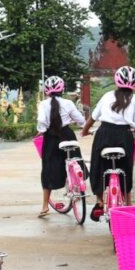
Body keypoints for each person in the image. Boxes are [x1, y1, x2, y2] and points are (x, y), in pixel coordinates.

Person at [80, 66, 135, 221]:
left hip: (104, 134)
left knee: (97, 166)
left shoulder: (107, 96)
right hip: (125, 136)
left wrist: (84, 131)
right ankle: (128, 202)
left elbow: (93, 117)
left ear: (116, 81)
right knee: (126, 168)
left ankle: (99, 200)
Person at [37, 75, 85, 217]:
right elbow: (81, 120)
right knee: (75, 160)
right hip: (67, 136)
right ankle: (77, 182)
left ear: (46, 91)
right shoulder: (69, 103)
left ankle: (45, 206)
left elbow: (41, 124)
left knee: (48, 170)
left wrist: (40, 131)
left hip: (51, 139)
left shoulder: (43, 104)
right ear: (62, 89)